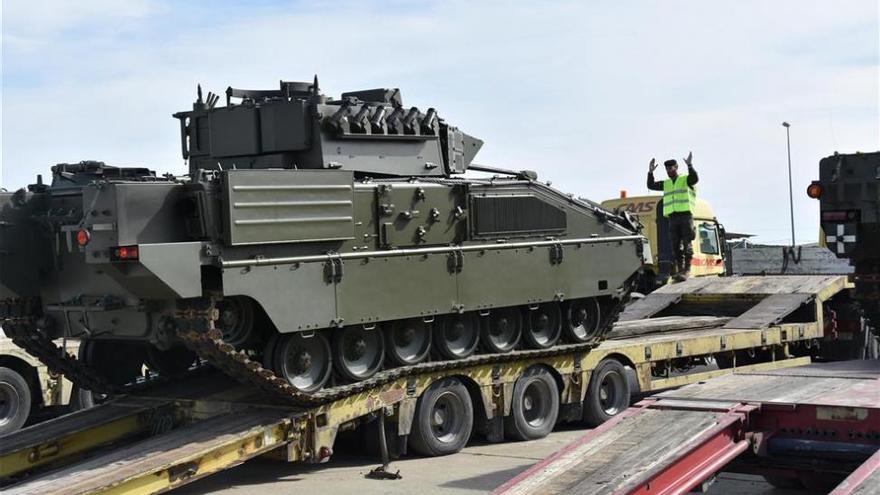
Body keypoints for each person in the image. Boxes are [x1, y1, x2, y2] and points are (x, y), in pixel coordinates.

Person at [647, 152, 699, 281]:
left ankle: (686, 270)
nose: (669, 171)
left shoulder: (685, 179)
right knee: (675, 246)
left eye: (671, 168)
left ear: (676, 167)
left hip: (685, 216)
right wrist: (650, 173)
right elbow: (651, 185)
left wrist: (690, 165)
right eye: (667, 169)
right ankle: (680, 270)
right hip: (672, 218)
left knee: (687, 244)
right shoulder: (667, 183)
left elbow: (695, 179)